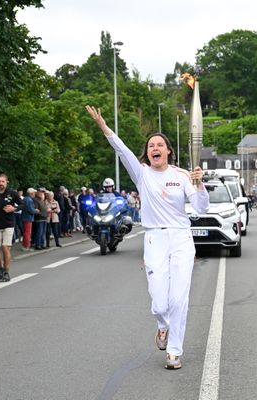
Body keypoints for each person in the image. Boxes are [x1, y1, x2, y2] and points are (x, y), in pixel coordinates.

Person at [86, 105, 209, 370]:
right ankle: (162, 324)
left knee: (179, 298)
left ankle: (174, 351)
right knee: (159, 300)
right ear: (148, 152)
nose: (155, 148)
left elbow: (201, 207)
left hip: (180, 238)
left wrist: (199, 184)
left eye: (159, 144)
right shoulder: (141, 174)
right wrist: (104, 127)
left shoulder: (182, 175)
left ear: (168, 151)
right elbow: (122, 150)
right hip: (154, 238)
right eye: (151, 145)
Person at [0, 174, 23, 282]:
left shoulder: (12, 193)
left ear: (7, 182)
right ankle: (0, 266)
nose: (1, 183)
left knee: (6, 248)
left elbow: (22, 204)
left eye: (3, 181)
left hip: (8, 224)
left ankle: (6, 272)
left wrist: (14, 208)